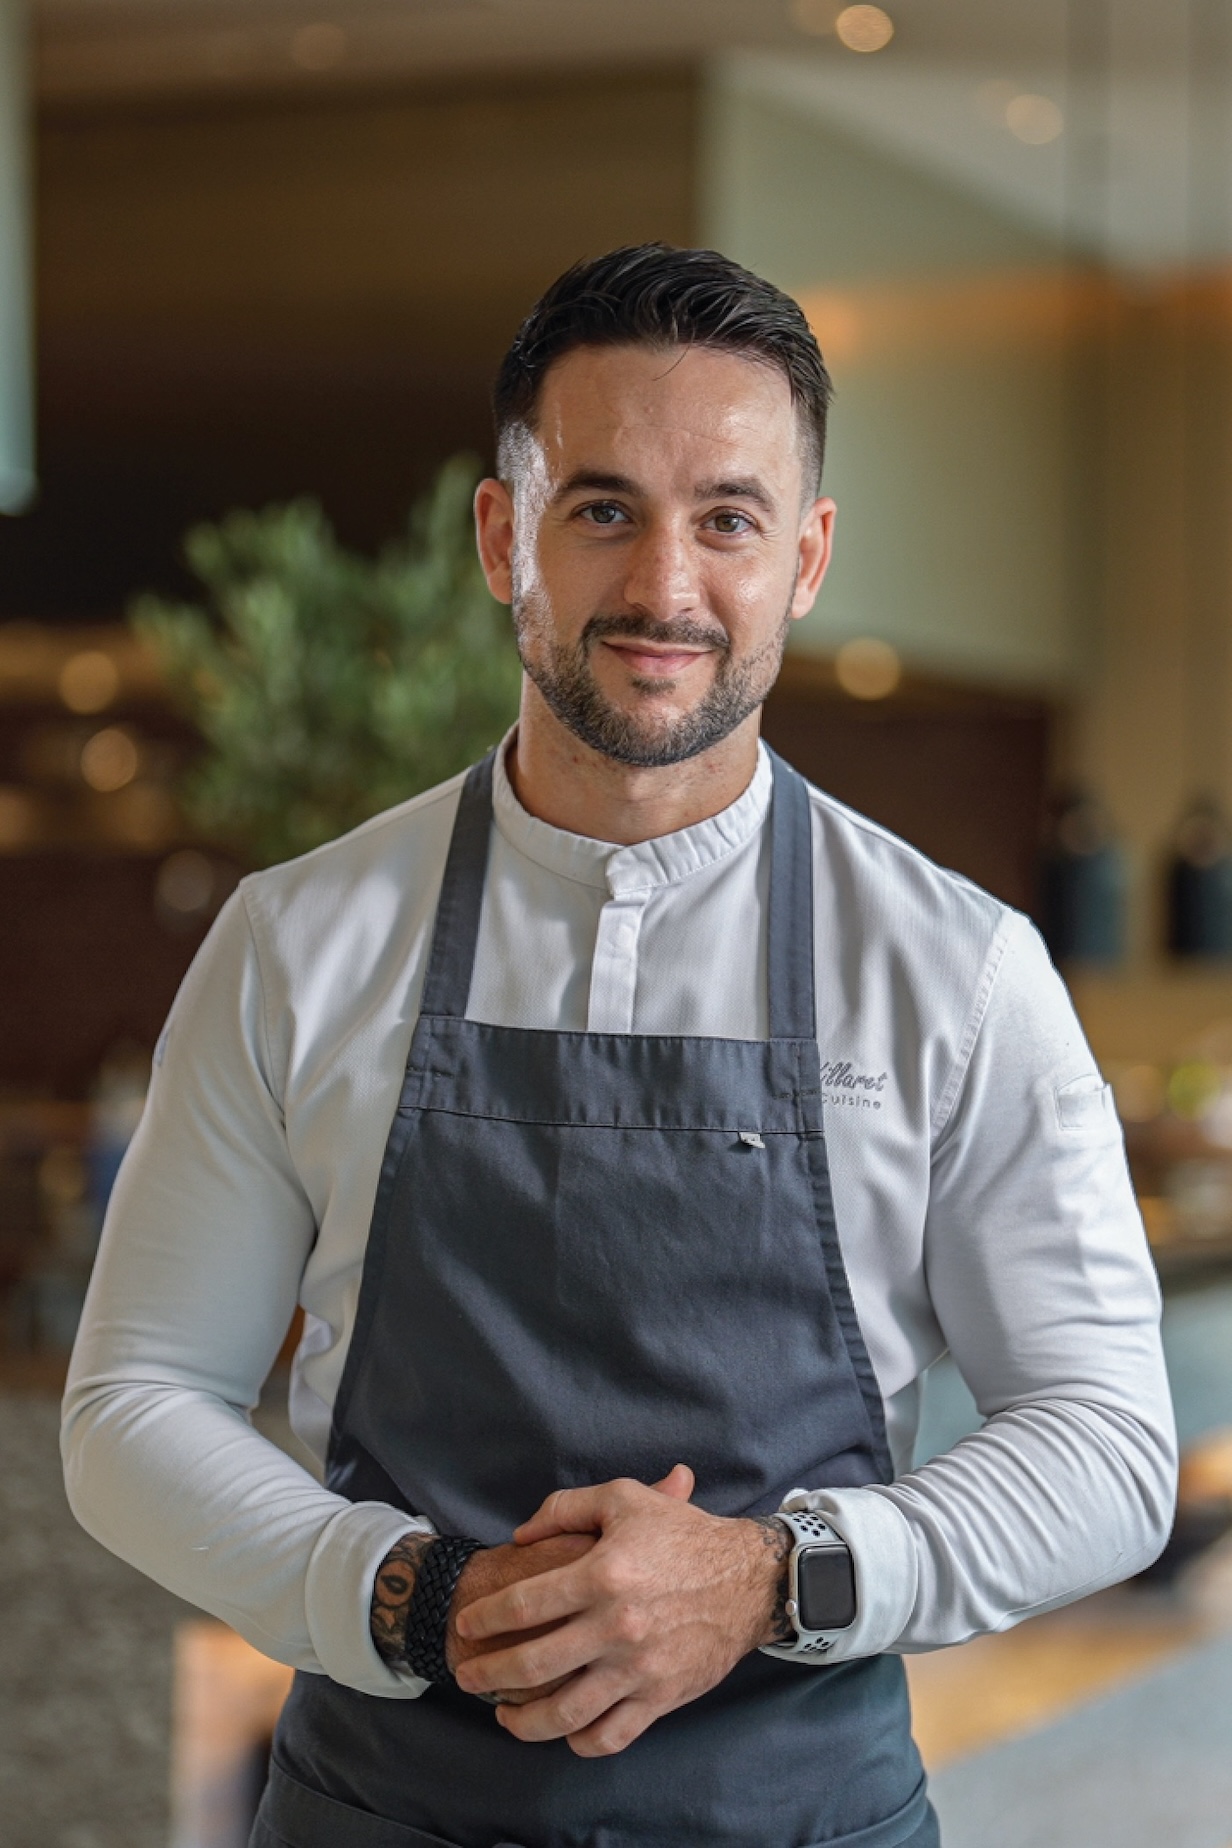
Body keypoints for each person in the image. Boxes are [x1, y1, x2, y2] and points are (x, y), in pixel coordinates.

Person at [63, 244, 1176, 1848]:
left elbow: (1109, 1446)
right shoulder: (298, 942)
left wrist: (775, 1577)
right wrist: (404, 1593)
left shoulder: (960, 971)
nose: (666, 586)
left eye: (727, 517)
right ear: (503, 536)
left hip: (805, 1820)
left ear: (804, 558)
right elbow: (135, 1401)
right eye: (604, 508)